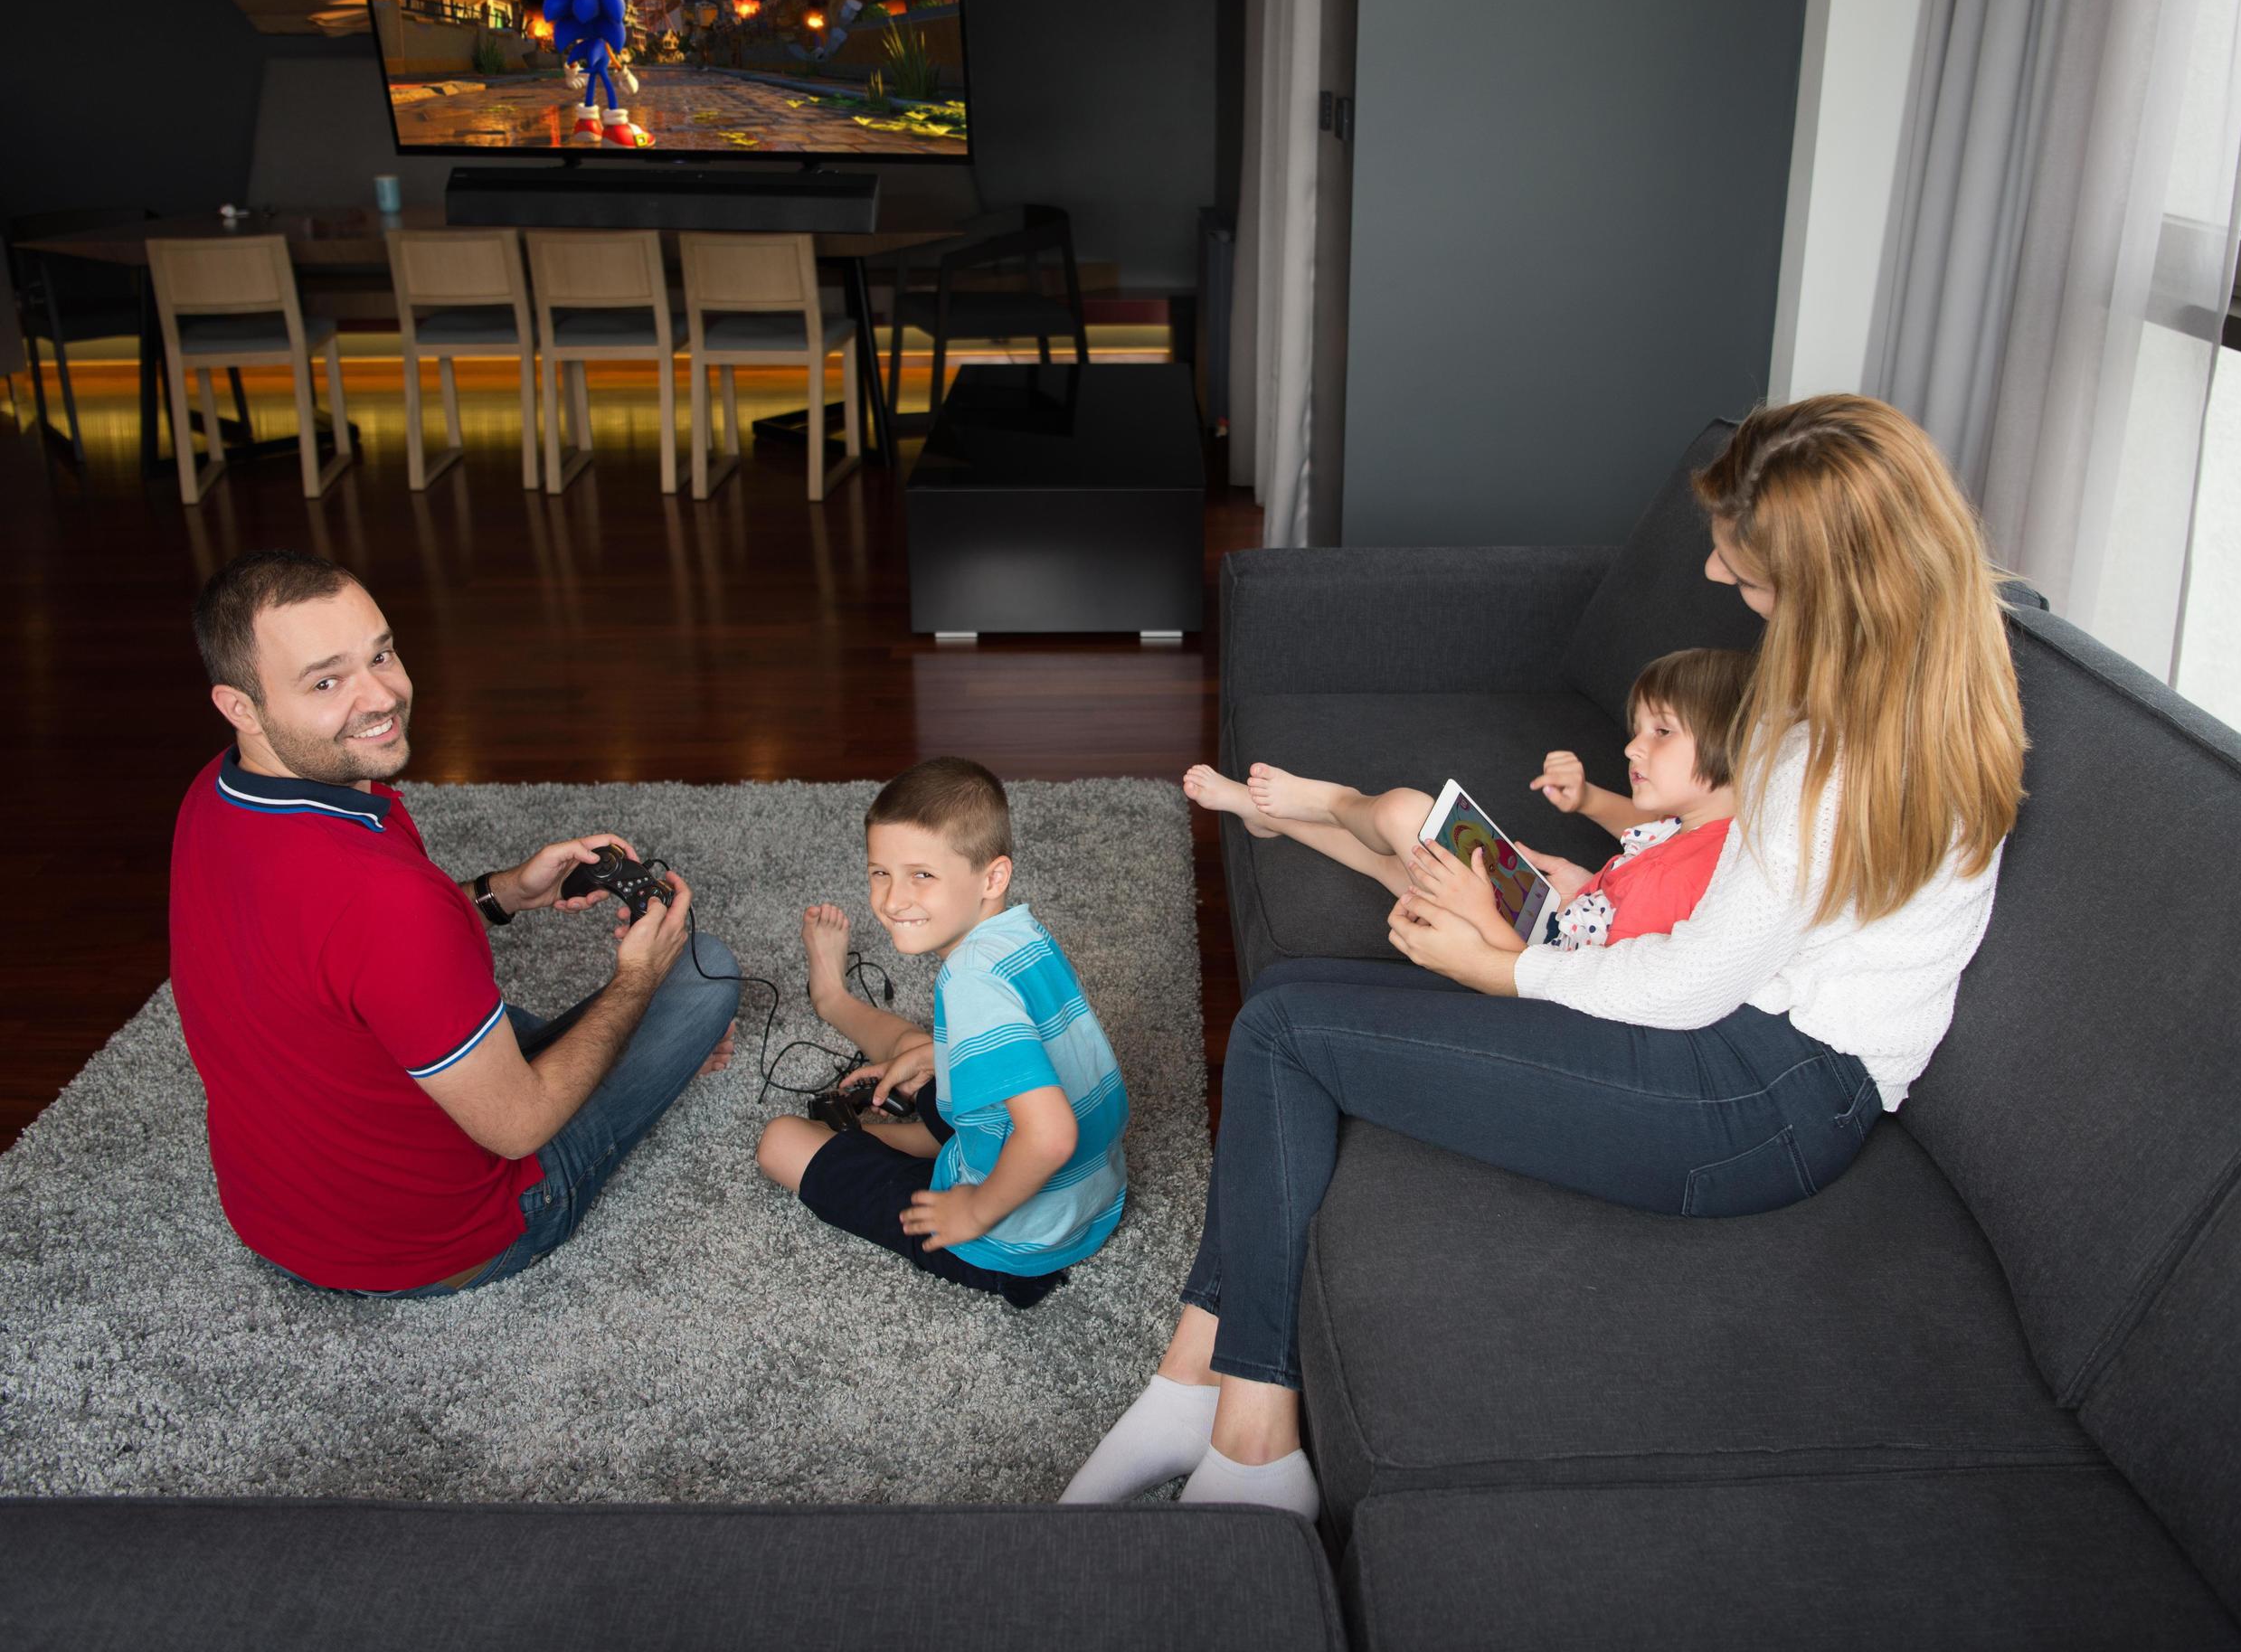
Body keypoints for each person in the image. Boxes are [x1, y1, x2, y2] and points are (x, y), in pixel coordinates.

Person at [1062, 393, 2028, 1518]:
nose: (1719, 583)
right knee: (1281, 1004)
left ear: (1831, 581)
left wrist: (1500, 965)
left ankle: (1251, 1432)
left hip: (1752, 1098)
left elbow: (1687, 983)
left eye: (1747, 573)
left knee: (1284, 1031)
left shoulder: (1827, 754)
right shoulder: (1942, 679)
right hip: (1763, 1063)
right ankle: (1197, 1385)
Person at [168, 550, 742, 1298]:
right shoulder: (384, 902)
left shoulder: (214, 796)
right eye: (326, 680)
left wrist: (506, 892)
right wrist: (639, 981)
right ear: (239, 705)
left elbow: (337, 962)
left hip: (275, 1212)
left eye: (381, 653)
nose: (381, 697)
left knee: (484, 1013)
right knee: (703, 970)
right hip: (440, 1242)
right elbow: (518, 1128)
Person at [755, 757, 1130, 1309]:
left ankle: (836, 1015)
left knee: (779, 1142)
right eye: (879, 872)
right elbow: (1046, 1046)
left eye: (921, 875)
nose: (892, 899)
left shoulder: (970, 981)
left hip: (1011, 1240)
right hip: (1091, 1203)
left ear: (992, 877)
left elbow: (1049, 1137)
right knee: (917, 1055)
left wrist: (972, 1212)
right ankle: (835, 1003)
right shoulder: (1021, 935)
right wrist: (940, 1053)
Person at [1181, 647, 1754, 955]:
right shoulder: (1706, 829)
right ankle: (1264, 815)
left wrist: (1482, 913)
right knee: (1394, 861)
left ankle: (1335, 800)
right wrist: (1584, 870)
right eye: (1639, 727)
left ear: (1732, 746)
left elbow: (1581, 980)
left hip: (1517, 945)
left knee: (1405, 811)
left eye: (1662, 732)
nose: (1632, 744)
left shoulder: (1687, 878)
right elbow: (1637, 854)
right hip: (1548, 910)